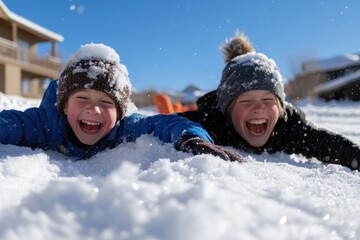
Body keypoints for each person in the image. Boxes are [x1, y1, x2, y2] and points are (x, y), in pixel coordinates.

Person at [0, 43, 244, 161]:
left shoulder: (125, 128)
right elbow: (12, 124)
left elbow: (166, 123)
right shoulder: (46, 124)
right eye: (82, 98)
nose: (93, 108)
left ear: (119, 112)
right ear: (64, 106)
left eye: (106, 103)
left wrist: (191, 136)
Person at [179, 32, 360, 171]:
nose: (258, 107)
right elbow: (161, 123)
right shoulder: (215, 120)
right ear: (228, 108)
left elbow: (326, 143)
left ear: (281, 107)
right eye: (246, 101)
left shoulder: (288, 128)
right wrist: (192, 135)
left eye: (267, 99)